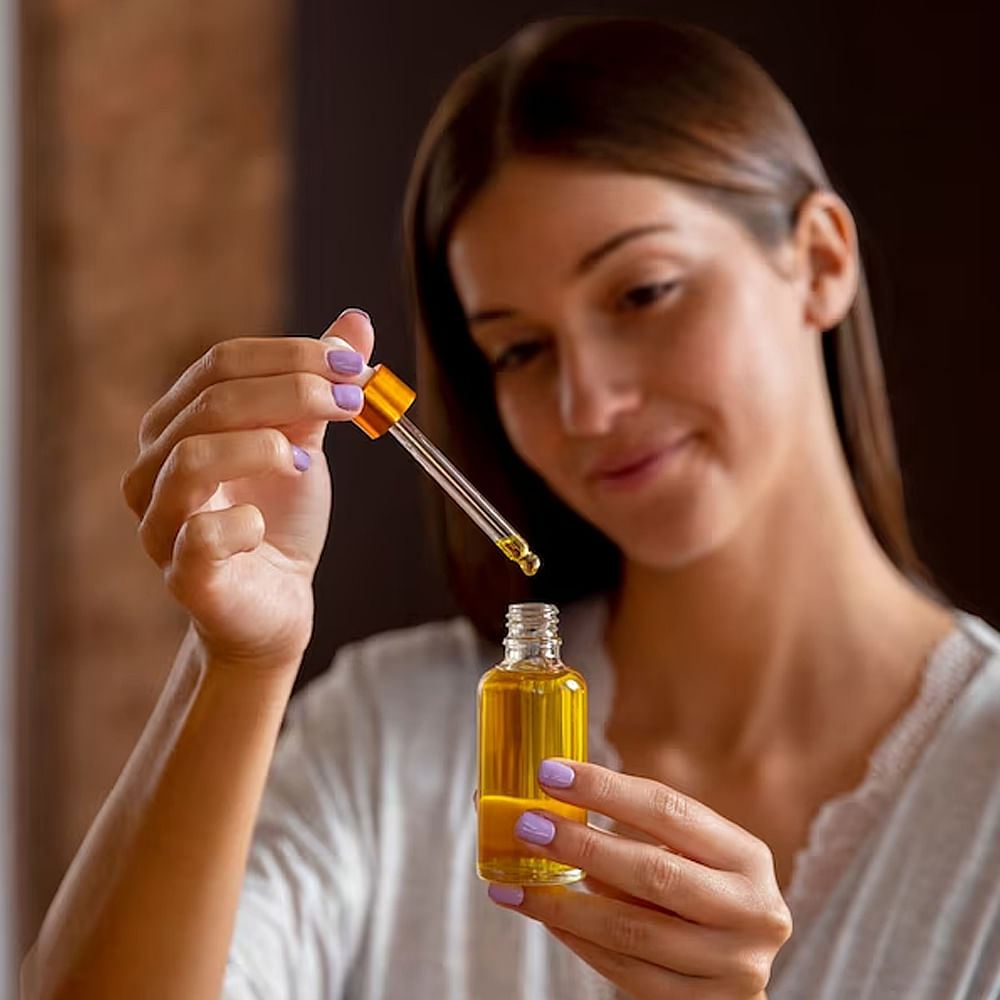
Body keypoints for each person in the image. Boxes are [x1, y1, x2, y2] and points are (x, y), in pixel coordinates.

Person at [22, 16, 1000, 1000]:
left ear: (821, 261)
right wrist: (234, 664)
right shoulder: (392, 742)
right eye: (521, 350)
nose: (588, 405)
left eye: (643, 292)